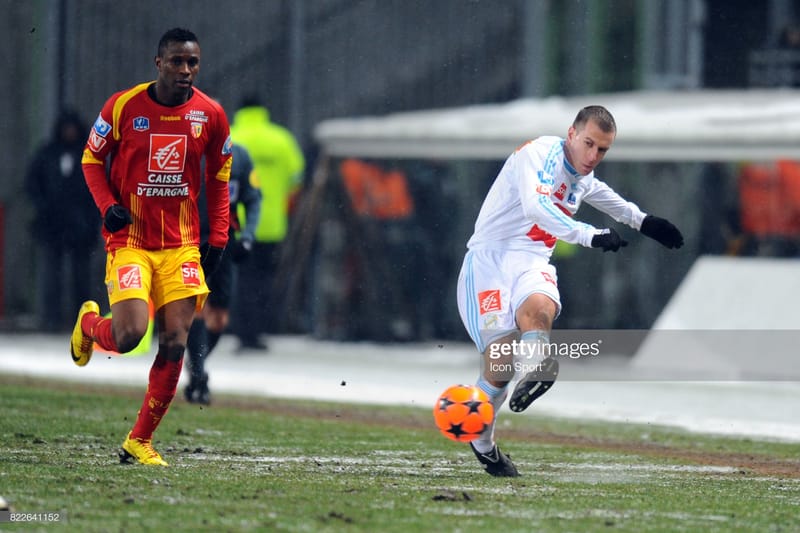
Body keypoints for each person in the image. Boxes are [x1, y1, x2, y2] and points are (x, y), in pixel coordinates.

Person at [456, 105, 684, 477]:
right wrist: (590, 235)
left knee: (540, 311)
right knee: (499, 366)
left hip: (532, 261)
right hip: (489, 263)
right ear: (572, 134)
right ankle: (483, 444)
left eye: (603, 150)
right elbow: (536, 207)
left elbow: (606, 197)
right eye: (590, 144)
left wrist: (645, 222)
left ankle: (538, 367)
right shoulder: (537, 155)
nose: (594, 156)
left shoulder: (582, 176)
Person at [70, 28, 232, 466]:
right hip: (131, 242)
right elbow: (90, 160)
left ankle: (139, 440)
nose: (185, 70)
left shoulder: (211, 115)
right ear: (157, 62)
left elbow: (219, 182)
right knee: (128, 337)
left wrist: (218, 238)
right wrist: (107, 208)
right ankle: (88, 326)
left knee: (175, 339)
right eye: (177, 61)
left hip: (181, 246)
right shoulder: (122, 106)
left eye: (193, 63)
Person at [184, 142, 261, 404]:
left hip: (224, 242)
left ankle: (197, 363)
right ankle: (199, 370)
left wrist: (248, 236)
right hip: (189, 241)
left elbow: (253, 198)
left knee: (218, 318)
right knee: (196, 307)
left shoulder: (239, 156)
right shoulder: (185, 152)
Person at [229, 98, 305, 350]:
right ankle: (257, 329)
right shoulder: (281, 139)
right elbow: (297, 180)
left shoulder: (232, 135)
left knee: (240, 277)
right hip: (272, 223)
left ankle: (241, 329)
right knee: (262, 278)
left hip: (236, 222)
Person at [25, 109, 100, 332]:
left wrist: (90, 218)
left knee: (81, 275)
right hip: (52, 224)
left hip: (81, 225)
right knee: (52, 275)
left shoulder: (87, 154)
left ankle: (82, 320)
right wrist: (43, 206)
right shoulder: (47, 154)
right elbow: (32, 184)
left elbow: (96, 188)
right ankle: (51, 319)